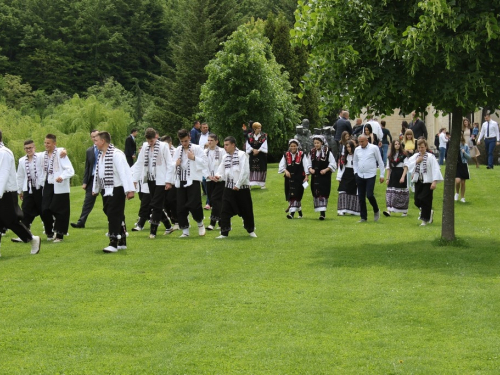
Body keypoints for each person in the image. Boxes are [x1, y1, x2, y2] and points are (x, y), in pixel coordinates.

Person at [92, 131, 135, 253]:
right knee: (110, 211)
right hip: (106, 188)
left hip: (117, 188)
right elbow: (98, 173)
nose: (94, 142)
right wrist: (95, 189)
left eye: (96, 140)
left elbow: (124, 172)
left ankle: (113, 242)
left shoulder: (116, 154)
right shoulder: (101, 155)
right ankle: (122, 240)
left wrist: (129, 190)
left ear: (103, 141)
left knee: (113, 213)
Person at [0, 132, 41, 257]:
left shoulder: (4, 153)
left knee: (11, 221)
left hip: (6, 192)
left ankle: (32, 239)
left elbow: (4, 174)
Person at [132, 128, 175, 239]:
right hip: (150, 179)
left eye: (152, 140)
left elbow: (170, 164)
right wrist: (134, 180)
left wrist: (169, 180)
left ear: (156, 137)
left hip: (161, 180)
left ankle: (153, 232)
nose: (150, 143)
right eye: (149, 141)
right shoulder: (145, 147)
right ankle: (168, 226)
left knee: (155, 205)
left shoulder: (163, 146)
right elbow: (139, 163)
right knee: (157, 205)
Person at [214, 136, 257, 238]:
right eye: (224, 145)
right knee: (224, 210)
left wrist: (238, 184)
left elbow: (245, 171)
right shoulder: (225, 157)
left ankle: (251, 230)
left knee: (247, 210)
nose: (225, 147)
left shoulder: (242, 155)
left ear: (233, 145)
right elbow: (222, 171)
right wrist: (218, 176)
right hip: (229, 187)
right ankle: (224, 233)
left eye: (227, 145)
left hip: (242, 188)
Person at [171, 128, 208, 238]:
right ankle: (185, 230)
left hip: (193, 180)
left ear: (189, 138)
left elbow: (205, 163)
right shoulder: (177, 150)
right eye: (182, 141)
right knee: (181, 206)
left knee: (194, 204)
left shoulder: (197, 148)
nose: (184, 143)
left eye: (186, 141)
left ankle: (200, 224)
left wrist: (194, 158)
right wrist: (175, 164)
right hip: (180, 180)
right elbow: (171, 164)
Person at [40, 134, 75, 242]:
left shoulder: (60, 153)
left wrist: (62, 176)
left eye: (48, 143)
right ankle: (50, 231)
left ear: (54, 143)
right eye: (45, 142)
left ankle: (59, 235)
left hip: (59, 185)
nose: (46, 145)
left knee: (60, 210)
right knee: (44, 209)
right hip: (48, 184)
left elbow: (70, 170)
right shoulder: (43, 155)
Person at [403, 139, 443, 226]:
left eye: (422, 147)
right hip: (418, 181)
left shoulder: (430, 157)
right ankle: (429, 211)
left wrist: (434, 182)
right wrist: (416, 161)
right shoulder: (415, 156)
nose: (421, 149)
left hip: (428, 181)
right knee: (417, 201)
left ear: (426, 147)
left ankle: (424, 220)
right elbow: (408, 164)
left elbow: (436, 169)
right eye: (419, 147)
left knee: (424, 200)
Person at [71, 130, 100, 229]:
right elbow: (87, 167)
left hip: (104, 178)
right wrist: (84, 182)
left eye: (96, 136)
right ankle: (81, 222)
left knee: (108, 201)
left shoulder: (106, 149)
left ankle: (114, 220)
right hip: (92, 179)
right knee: (88, 201)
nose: (94, 138)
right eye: (92, 136)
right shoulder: (89, 151)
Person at [353, 134, 385, 222]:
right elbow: (355, 162)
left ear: (367, 140)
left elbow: (380, 161)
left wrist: (382, 174)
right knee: (361, 197)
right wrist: (355, 173)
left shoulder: (374, 148)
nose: (361, 143)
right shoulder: (357, 149)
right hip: (360, 175)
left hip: (370, 174)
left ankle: (376, 209)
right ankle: (363, 217)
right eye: (359, 142)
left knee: (370, 195)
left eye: (362, 141)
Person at [15, 140, 44, 235]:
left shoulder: (41, 156)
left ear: (34, 147)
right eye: (26, 148)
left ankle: (49, 231)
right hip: (28, 188)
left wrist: (64, 151)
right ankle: (25, 233)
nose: (28, 150)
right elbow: (20, 176)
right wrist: (20, 191)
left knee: (43, 209)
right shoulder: (22, 160)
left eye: (30, 148)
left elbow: (55, 151)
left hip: (40, 187)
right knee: (26, 209)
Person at [278, 139, 309, 219]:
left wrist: (306, 176)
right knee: (291, 194)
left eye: (294, 146)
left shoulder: (302, 154)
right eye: (291, 146)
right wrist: (285, 171)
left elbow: (306, 165)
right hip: (289, 179)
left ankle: (291, 214)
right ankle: (300, 213)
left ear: (297, 146)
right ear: (289, 147)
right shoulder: (286, 155)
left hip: (299, 178)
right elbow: (281, 165)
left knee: (296, 195)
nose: (293, 147)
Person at [308, 134, 336, 220]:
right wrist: (310, 169)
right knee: (316, 193)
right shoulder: (312, 152)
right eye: (315, 143)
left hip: (324, 178)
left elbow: (332, 163)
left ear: (322, 143)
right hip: (315, 177)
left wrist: (326, 170)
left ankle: (322, 213)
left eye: (318, 143)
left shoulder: (327, 152)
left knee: (323, 193)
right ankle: (320, 211)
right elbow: (308, 163)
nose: (316, 145)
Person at [205, 133, 226, 230]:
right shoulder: (205, 152)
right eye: (208, 140)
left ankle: (212, 223)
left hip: (220, 180)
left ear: (216, 141)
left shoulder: (222, 151)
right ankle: (222, 222)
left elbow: (224, 165)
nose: (209, 142)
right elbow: (203, 166)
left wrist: (218, 176)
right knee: (215, 202)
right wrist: (208, 175)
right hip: (209, 180)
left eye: (211, 140)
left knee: (214, 199)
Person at [383, 140, 409, 217]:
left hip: (400, 173)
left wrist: (403, 176)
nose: (397, 145)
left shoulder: (403, 155)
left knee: (402, 192)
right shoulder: (390, 156)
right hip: (393, 174)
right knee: (391, 192)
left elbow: (406, 166)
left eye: (398, 144)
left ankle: (404, 211)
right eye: (395, 144)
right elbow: (388, 168)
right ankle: (389, 210)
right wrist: (387, 178)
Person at [336, 140, 360, 216]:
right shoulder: (344, 157)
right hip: (346, 175)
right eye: (347, 147)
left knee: (353, 192)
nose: (348, 149)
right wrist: (339, 177)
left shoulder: (357, 156)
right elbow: (341, 168)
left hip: (353, 175)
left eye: (349, 147)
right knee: (343, 191)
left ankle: (353, 210)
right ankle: (342, 209)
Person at [246, 122, 268, 188]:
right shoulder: (249, 135)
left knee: (262, 167)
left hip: (261, 154)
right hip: (252, 154)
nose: (260, 129)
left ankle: (262, 184)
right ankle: (250, 183)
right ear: (254, 129)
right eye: (258, 128)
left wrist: (258, 150)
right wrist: (253, 150)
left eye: (260, 128)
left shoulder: (264, 135)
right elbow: (247, 144)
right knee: (251, 167)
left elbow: (265, 144)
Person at [455, 134, 470, 203]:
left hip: (463, 164)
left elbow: (469, 157)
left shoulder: (465, 146)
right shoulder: (454, 146)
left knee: (463, 182)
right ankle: (457, 193)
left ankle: (462, 197)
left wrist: (464, 153)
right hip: (457, 165)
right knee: (457, 181)